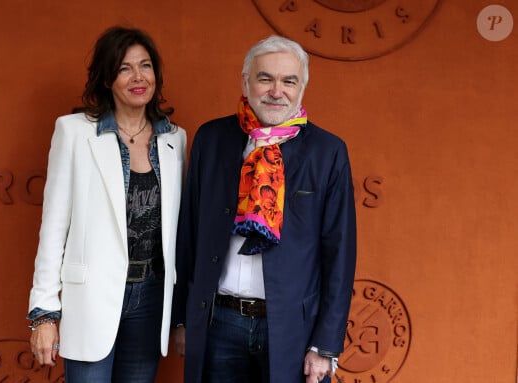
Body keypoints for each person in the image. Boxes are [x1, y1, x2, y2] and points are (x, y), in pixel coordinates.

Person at [171, 35, 356, 383]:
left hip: (291, 330)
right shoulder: (211, 140)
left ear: (302, 87)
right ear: (245, 82)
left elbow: (339, 255)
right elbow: (189, 233)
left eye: (289, 81)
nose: (276, 91)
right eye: (265, 78)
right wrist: (182, 319)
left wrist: (326, 345)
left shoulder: (327, 152)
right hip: (217, 324)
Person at [27, 26, 186, 383]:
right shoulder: (74, 132)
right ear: (106, 77)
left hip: (151, 299)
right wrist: (44, 313)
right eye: (124, 68)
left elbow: (179, 233)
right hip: (91, 299)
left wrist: (180, 314)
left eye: (145, 66)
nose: (138, 77)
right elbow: (54, 227)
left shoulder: (175, 139)